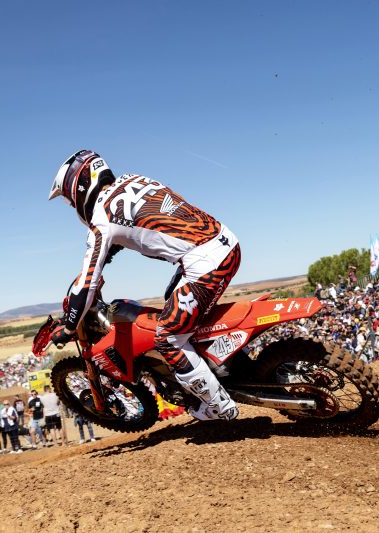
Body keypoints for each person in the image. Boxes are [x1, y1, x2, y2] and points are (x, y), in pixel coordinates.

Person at [48, 150, 240, 422]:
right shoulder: (134, 180)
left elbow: (87, 283)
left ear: (78, 188)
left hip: (205, 264)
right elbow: (147, 220)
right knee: (175, 303)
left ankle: (219, 407)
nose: (73, 207)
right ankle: (230, 366)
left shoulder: (101, 222)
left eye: (70, 202)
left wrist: (69, 326)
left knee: (168, 338)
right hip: (223, 240)